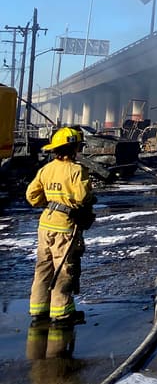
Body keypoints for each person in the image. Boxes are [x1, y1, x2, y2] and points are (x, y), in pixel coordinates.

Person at [26, 126, 95, 325]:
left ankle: (38, 309)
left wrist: (50, 203)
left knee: (43, 268)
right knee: (64, 269)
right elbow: (81, 197)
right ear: (74, 148)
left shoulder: (46, 169)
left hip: (45, 224)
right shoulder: (77, 171)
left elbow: (32, 196)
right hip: (65, 227)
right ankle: (62, 313)